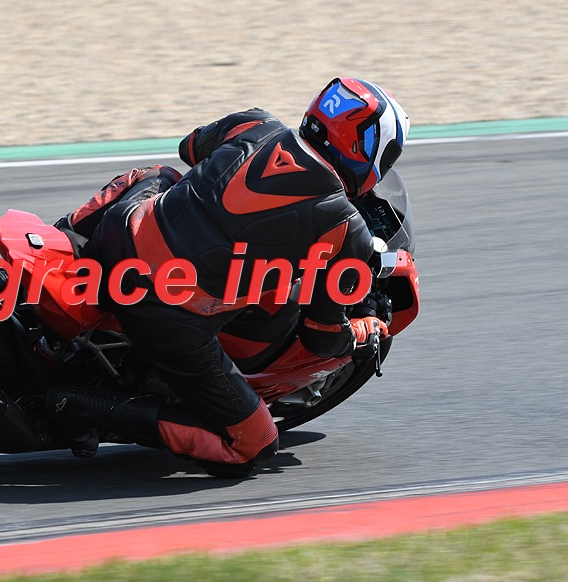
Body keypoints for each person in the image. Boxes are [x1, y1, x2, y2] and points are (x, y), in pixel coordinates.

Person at [47, 78, 410, 477]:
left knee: (161, 176)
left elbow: (190, 147)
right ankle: (84, 406)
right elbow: (321, 338)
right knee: (254, 446)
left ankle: (63, 237)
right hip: (164, 314)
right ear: (367, 149)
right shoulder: (346, 228)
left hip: (118, 233)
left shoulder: (256, 123)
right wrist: (361, 332)